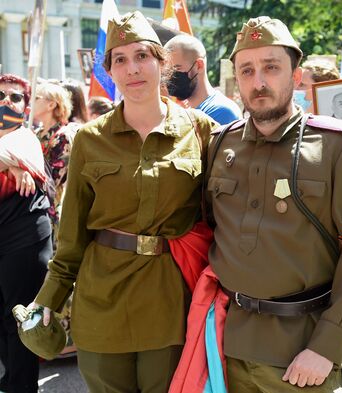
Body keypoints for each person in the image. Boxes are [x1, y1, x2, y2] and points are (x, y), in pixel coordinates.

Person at [29, 11, 217, 393]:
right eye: (120, 59)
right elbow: (72, 235)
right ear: (110, 71)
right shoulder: (90, 138)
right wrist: (48, 300)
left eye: (142, 56)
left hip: (170, 300)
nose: (132, 68)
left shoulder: (200, 129)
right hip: (103, 299)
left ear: (162, 64)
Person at [207, 16, 342, 392]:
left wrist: (327, 346)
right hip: (228, 345)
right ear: (236, 81)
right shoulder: (220, 145)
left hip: (301, 352)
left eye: (271, 67)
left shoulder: (337, 147)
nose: (259, 82)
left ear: (296, 75)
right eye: (247, 70)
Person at [0, 74, 53, 393]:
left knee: (19, 314)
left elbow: (18, 153)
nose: (6, 100)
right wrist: (12, 167)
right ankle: (11, 378)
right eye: (1, 94)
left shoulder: (25, 139)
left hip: (24, 237)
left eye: (15, 97)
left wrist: (16, 164)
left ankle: (22, 386)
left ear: (26, 106)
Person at [164, 33, 242, 125]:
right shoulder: (184, 111)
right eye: (167, 71)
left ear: (199, 66)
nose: (170, 76)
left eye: (177, 69)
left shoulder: (221, 112)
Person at [33, 81, 75, 230]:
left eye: (36, 97)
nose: (31, 100)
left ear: (51, 105)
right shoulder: (36, 133)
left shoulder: (63, 136)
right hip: (31, 208)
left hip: (50, 211)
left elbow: (54, 179)